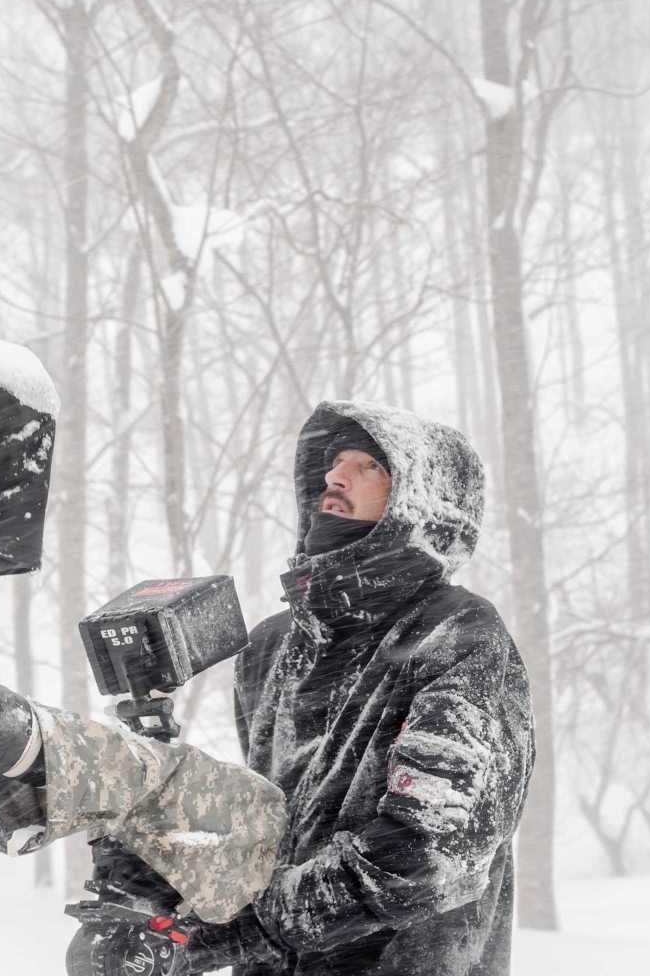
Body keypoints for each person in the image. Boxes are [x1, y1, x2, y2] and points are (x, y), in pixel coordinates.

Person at [182, 400, 536, 976]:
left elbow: (427, 853)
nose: (334, 476)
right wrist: (170, 925)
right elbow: (262, 832)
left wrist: (250, 930)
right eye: (332, 461)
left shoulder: (455, 634)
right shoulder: (273, 646)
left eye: (367, 465)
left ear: (423, 500)